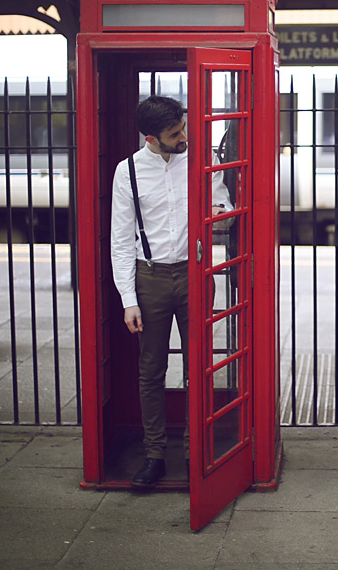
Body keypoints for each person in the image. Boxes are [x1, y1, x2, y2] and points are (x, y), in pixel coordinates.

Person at [110, 95, 232, 488]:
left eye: (183, 128)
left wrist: (220, 208)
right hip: (150, 278)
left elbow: (224, 208)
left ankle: (196, 451)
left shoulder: (201, 161)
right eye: (174, 134)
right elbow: (120, 239)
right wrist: (128, 299)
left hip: (196, 273)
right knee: (151, 370)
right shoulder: (127, 171)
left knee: (199, 366)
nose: (184, 137)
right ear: (151, 137)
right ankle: (154, 454)